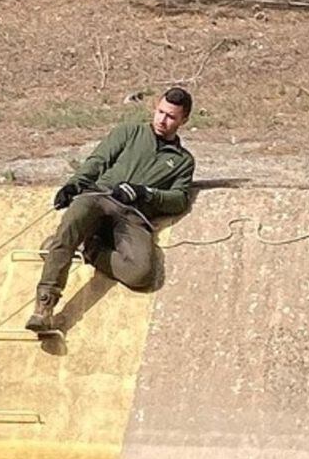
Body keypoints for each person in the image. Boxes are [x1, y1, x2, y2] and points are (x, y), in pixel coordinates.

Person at [25, 87, 196, 333]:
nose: (162, 120)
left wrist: (145, 193)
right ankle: (44, 307)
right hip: (99, 197)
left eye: (171, 116)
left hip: (131, 215)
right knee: (72, 223)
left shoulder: (183, 161)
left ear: (184, 120)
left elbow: (179, 199)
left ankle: (89, 248)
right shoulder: (129, 132)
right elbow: (98, 161)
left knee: (141, 274)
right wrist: (74, 185)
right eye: (160, 112)